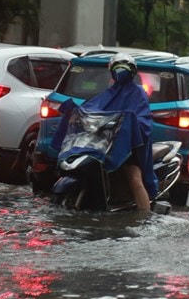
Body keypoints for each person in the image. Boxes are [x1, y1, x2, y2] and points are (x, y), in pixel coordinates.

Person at [52, 54, 155, 214]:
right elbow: (92, 110)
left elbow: (143, 121)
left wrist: (128, 124)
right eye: (117, 69)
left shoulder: (138, 93)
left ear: (132, 72)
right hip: (105, 144)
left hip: (129, 145)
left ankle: (145, 217)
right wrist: (77, 112)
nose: (121, 73)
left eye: (125, 70)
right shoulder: (108, 93)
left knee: (134, 178)